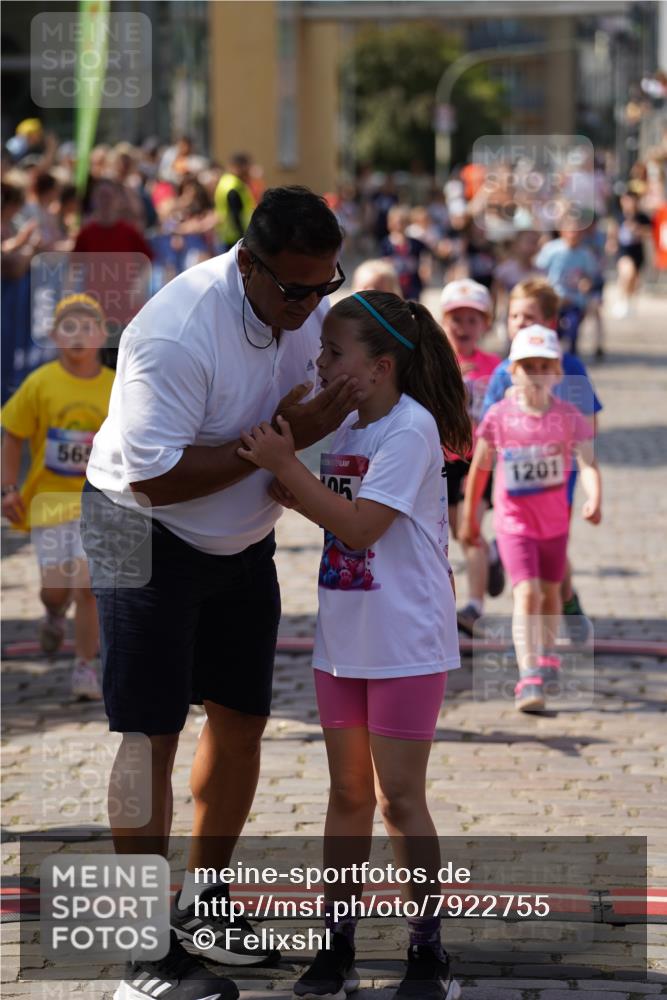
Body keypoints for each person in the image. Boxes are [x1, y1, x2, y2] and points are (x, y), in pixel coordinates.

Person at [81, 187, 361, 1000]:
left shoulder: (305, 303)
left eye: (324, 287)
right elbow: (154, 478)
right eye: (293, 290)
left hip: (239, 538)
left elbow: (311, 396)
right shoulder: (173, 332)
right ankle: (142, 945)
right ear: (248, 262)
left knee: (241, 722)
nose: (309, 306)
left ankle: (206, 904)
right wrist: (280, 448)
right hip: (137, 524)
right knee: (149, 732)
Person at [238, 290, 470, 1000]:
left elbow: (362, 527)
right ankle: (334, 942)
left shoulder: (410, 429)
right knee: (345, 794)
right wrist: (295, 484)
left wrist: (291, 473)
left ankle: (427, 947)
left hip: (405, 637)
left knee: (399, 797)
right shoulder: (346, 427)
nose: (321, 364)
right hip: (343, 636)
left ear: (380, 367)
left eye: (334, 353)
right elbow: (331, 511)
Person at [460, 325, 602, 712]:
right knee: (527, 593)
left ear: (557, 372)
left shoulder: (569, 416)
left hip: (555, 523)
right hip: (513, 522)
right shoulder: (499, 416)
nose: (536, 373)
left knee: (552, 593)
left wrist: (594, 496)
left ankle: (549, 654)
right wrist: (471, 518)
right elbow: (480, 470)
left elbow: (588, 462)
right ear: (512, 371)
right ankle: (529, 675)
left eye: (544, 366)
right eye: (527, 366)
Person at [1, 294, 114, 699]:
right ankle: (51, 612)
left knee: (86, 587)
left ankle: (85, 668)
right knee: (57, 588)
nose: (78, 336)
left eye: (87, 327)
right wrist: (7, 487)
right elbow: (12, 435)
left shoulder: (116, 387)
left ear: (103, 334)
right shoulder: (40, 382)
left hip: (98, 505)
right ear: (53, 336)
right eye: (69, 328)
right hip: (49, 504)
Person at [480, 278, 603, 641]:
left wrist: (578, 449)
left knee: (553, 543)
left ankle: (566, 598)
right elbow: (487, 428)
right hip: (514, 483)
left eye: (529, 316)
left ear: (550, 322)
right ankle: (548, 603)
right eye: (514, 315)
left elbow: (590, 421)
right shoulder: (507, 371)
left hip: (557, 480)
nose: (518, 322)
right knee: (525, 542)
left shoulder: (572, 368)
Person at [439, 279, 504, 635]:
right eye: (456, 319)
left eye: (472, 320)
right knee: (455, 528)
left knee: (470, 528)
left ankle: (474, 607)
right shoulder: (434, 363)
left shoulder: (495, 366)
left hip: (479, 458)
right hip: (442, 459)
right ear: (443, 321)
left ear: (485, 324)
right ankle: (492, 556)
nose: (464, 327)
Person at [535, 215, 598, 353]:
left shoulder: (585, 254)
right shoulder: (552, 249)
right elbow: (539, 269)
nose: (574, 234)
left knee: (572, 328)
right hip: (554, 299)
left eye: (577, 231)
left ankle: (571, 355)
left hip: (574, 300)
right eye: (571, 230)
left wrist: (585, 284)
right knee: (553, 330)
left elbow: (590, 276)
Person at [214, 152, 256, 250]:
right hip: (236, 239)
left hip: (225, 237)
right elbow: (235, 214)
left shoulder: (225, 181)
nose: (248, 171)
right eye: (247, 167)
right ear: (238, 167)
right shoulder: (234, 186)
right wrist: (244, 240)